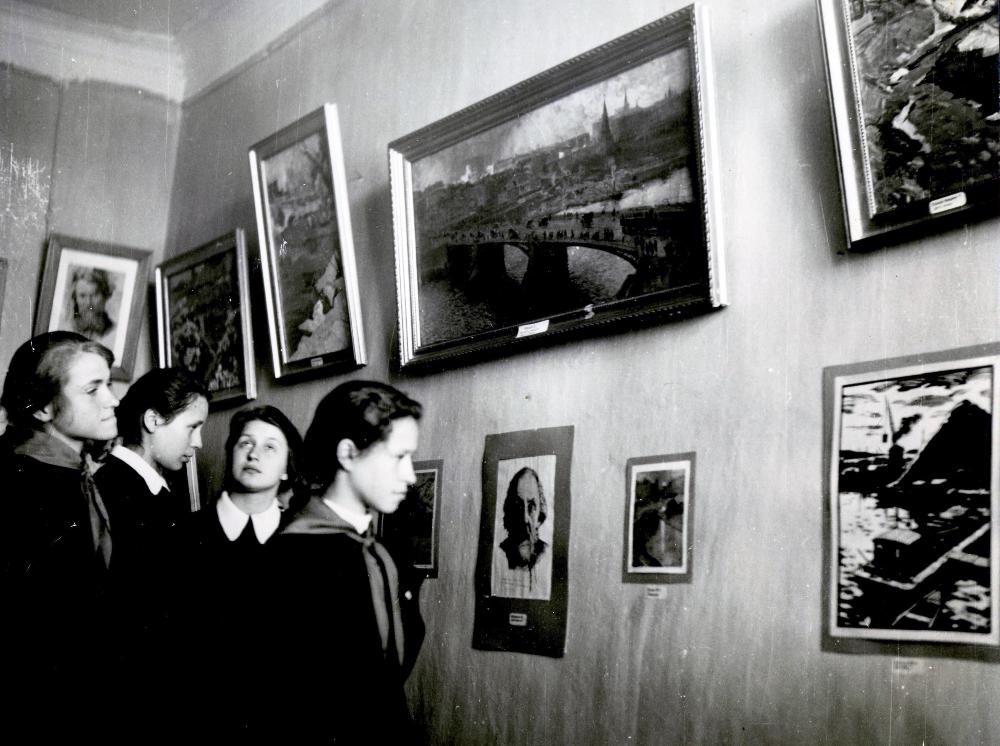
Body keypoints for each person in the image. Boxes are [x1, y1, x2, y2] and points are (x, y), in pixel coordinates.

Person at [274, 380, 426, 743]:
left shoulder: (380, 552)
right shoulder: (289, 559)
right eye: (398, 457)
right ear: (347, 454)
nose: (410, 476)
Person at [0, 331, 118, 736]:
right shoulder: (20, 482)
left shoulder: (70, 473)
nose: (112, 400)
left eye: (108, 385)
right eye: (93, 389)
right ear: (43, 407)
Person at [178, 404, 304, 739]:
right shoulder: (181, 537)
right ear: (231, 452)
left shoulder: (305, 547)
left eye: (270, 447)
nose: (254, 454)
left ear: (287, 468)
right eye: (245, 443)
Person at [92, 366, 208, 725]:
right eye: (192, 427)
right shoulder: (115, 490)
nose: (199, 442)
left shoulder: (153, 491)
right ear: (153, 420)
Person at [493, 465, 553, 600]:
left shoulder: (547, 556)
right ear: (509, 511)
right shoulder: (500, 555)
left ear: (540, 515)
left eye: (531, 506)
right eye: (518, 506)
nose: (525, 518)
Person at [68, 267, 116, 345]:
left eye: (95, 295)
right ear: (75, 298)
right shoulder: (67, 328)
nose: (89, 303)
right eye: (82, 296)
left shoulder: (115, 332)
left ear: (105, 296)